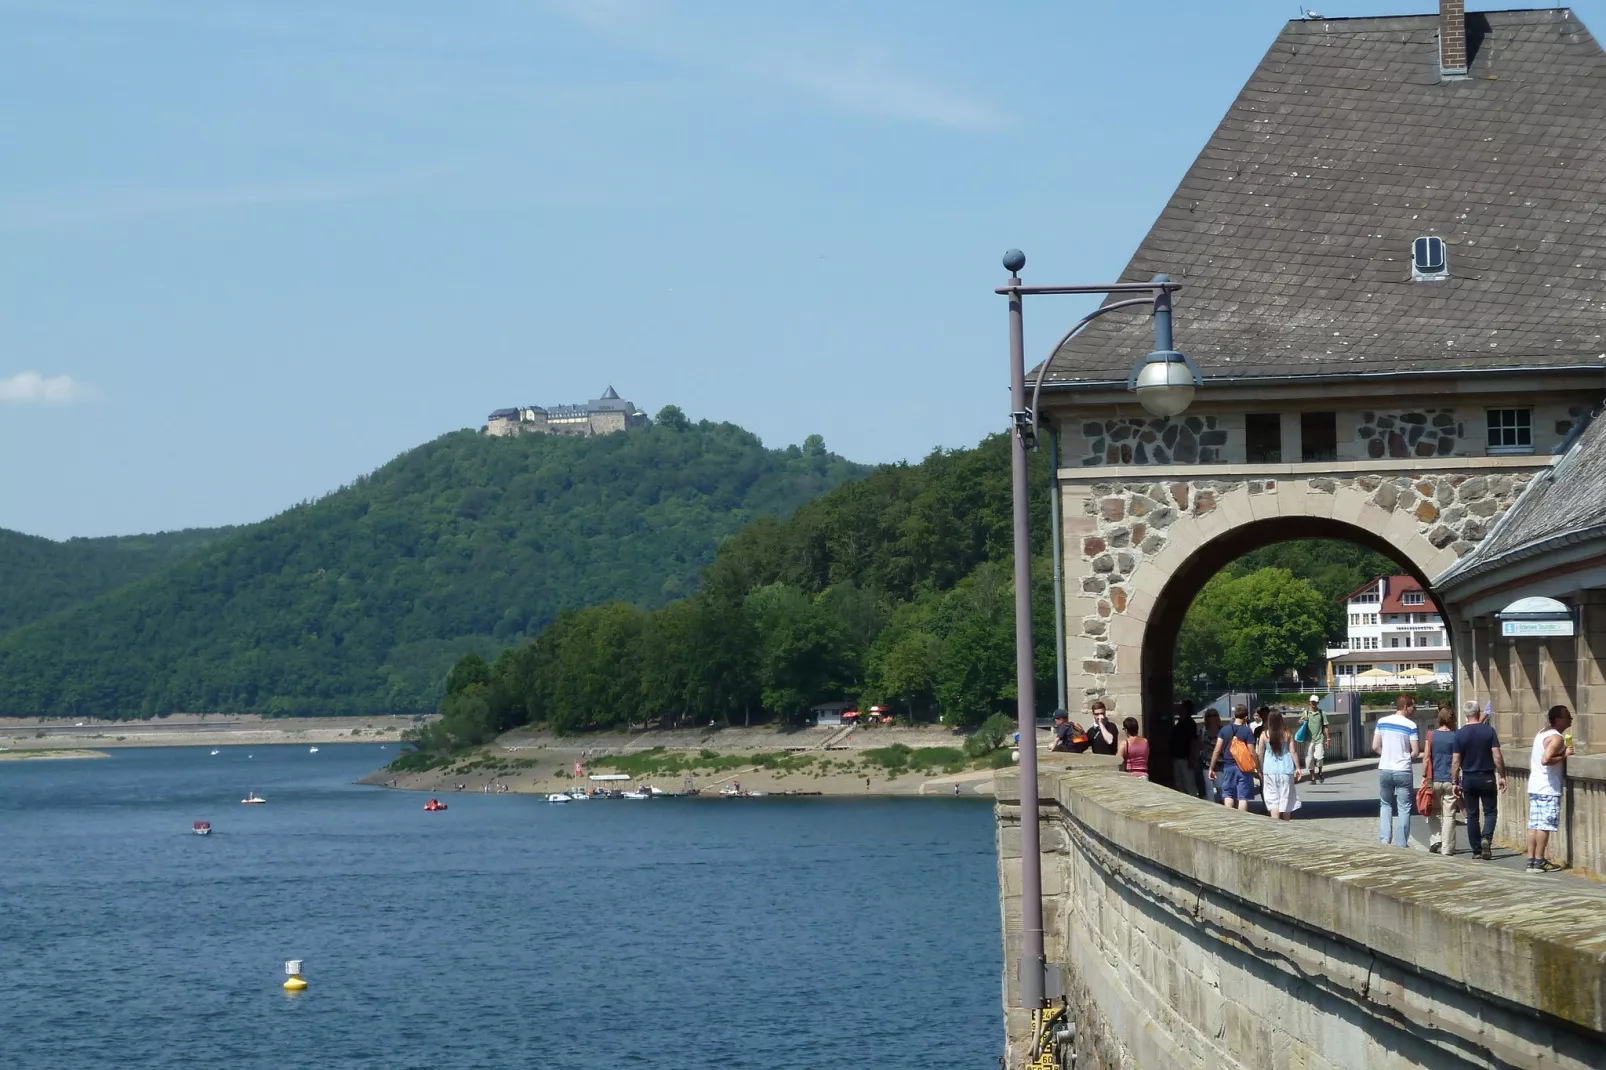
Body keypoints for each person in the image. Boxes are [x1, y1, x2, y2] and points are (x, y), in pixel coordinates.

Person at [1453, 699, 1506, 861]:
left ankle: (1476, 850)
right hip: (1487, 776)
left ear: (1465, 714)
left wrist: (1455, 782)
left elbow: (1455, 761)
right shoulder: (1489, 731)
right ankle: (1486, 838)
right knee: (1490, 811)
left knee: (1472, 815)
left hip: (1468, 777)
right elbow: (1497, 755)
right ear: (1478, 712)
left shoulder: (1459, 734)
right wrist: (1502, 775)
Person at [1526, 705, 1574, 874]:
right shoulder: (1557, 738)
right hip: (1547, 786)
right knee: (1544, 825)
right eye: (1568, 716)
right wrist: (1565, 755)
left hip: (1535, 784)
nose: (1571, 719)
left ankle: (1531, 860)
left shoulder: (1542, 733)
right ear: (1559, 719)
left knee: (1534, 824)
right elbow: (1546, 759)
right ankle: (1540, 860)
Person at [1373, 695, 1420, 848]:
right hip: (1403, 770)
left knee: (1385, 804)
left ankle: (1385, 839)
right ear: (1406, 707)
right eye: (1413, 706)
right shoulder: (1410, 725)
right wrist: (1406, 756)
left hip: (1385, 768)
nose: (1415, 709)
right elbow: (1415, 751)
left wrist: (1385, 754)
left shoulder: (1382, 722)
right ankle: (1401, 843)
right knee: (1404, 807)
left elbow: (1375, 746)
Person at [1423, 703, 1459, 855]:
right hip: (1450, 779)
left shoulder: (1431, 735)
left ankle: (1436, 839)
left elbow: (1426, 758)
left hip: (1433, 778)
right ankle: (1447, 847)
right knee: (1449, 814)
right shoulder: (1455, 736)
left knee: (1432, 811)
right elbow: (1457, 760)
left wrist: (1424, 777)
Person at [1207, 705, 1258, 812]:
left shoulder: (1224, 730)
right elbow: (1252, 752)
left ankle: (1229, 817)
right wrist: (1259, 768)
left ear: (1234, 715)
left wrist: (1211, 768)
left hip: (1228, 767)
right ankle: (1241, 819)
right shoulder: (1247, 731)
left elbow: (1216, 751)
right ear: (1246, 717)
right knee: (1243, 797)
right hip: (1243, 768)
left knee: (1228, 794)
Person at [1257, 709, 1304, 820]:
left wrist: (1259, 768)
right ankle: (1286, 823)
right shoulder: (1287, 733)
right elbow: (1293, 751)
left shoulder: (1265, 734)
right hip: (1286, 769)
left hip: (1269, 770)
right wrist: (1298, 768)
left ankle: (1276, 824)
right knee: (1286, 798)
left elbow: (1260, 753)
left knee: (1273, 800)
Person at [1169, 701, 1202, 797]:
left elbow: (1193, 741)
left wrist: (1191, 758)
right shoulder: (1179, 723)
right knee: (1179, 784)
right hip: (1176, 756)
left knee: (1189, 783)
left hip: (1186, 757)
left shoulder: (1190, 724)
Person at [1303, 695, 1331, 783]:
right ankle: (1312, 777)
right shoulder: (1306, 712)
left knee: (1319, 758)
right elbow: (1300, 722)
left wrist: (1328, 739)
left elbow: (1325, 726)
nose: (1313, 704)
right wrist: (1303, 720)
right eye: (1312, 702)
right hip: (1309, 739)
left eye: (1315, 702)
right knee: (1309, 759)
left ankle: (1319, 772)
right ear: (1309, 702)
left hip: (1319, 738)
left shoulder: (1322, 713)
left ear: (1318, 703)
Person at [1200, 709, 1223, 803]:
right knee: (1209, 788)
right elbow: (1200, 745)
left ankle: (1223, 805)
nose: (1212, 717)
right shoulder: (1203, 730)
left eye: (1214, 715)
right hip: (1206, 762)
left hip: (1220, 763)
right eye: (1209, 715)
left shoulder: (1222, 730)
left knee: (1220, 786)